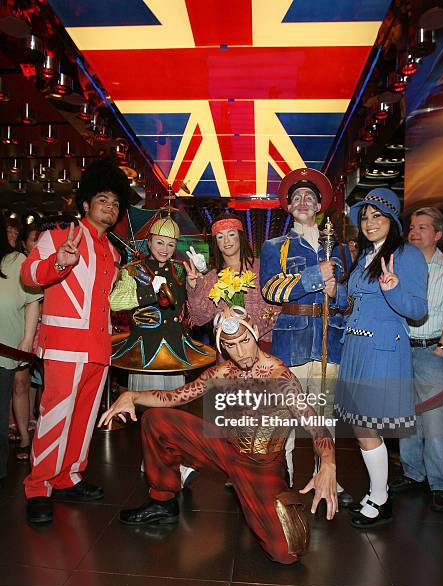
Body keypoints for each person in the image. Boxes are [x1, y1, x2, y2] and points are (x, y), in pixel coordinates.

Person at [99, 306, 338, 565]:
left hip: (260, 466)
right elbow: (176, 396)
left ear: (255, 332)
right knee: (156, 420)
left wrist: (328, 463)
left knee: (286, 554)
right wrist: (132, 396)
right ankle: (162, 501)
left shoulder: (279, 377)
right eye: (231, 345)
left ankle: (279, 496)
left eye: (245, 341)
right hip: (224, 449)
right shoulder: (222, 372)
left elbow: (316, 425)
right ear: (221, 345)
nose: (241, 351)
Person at [21, 159, 130, 524]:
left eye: (115, 203)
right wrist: (61, 261)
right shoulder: (58, 236)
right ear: (86, 204)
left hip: (98, 349)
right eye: (102, 200)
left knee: (83, 420)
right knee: (54, 416)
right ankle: (38, 486)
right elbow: (30, 274)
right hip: (65, 346)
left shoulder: (114, 253)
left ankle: (68, 477)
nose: (109, 208)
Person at [334, 188, 428, 528]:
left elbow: (418, 310)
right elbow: (356, 299)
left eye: (377, 216)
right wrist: (336, 292)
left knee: (368, 426)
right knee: (361, 425)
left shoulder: (407, 255)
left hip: (383, 349)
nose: (370, 222)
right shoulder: (365, 256)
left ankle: (380, 498)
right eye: (365, 216)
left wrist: (395, 290)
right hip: (357, 348)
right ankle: (378, 493)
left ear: (392, 220)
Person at [259, 168, 352, 503]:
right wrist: (315, 276)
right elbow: (270, 289)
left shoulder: (340, 250)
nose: (302, 202)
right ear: (288, 206)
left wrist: (335, 292)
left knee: (323, 415)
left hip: (330, 341)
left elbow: (349, 299)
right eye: (296, 197)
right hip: (292, 342)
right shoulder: (274, 246)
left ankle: (325, 478)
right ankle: (277, 478)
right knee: (285, 415)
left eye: (309, 198)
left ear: (319, 207)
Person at [390, 207, 443, 512]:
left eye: (422, 228)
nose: (414, 232)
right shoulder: (399, 265)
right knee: (407, 416)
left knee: (435, 419)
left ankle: (441, 482)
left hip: (432, 350)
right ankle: (413, 473)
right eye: (412, 227)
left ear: (438, 234)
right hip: (403, 348)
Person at [111, 213, 215, 388]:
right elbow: (114, 302)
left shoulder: (181, 269)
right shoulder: (132, 271)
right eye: (159, 242)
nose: (164, 249)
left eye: (170, 244)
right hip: (145, 349)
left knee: (172, 407)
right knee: (144, 406)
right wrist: (149, 291)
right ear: (149, 242)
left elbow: (201, 306)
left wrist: (200, 278)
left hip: (175, 348)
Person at [184, 212, 279, 352]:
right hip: (228, 350)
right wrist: (194, 289)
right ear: (216, 242)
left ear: (240, 237)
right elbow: (199, 319)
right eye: (220, 237)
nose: (226, 241)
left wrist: (248, 329)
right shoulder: (211, 278)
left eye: (231, 234)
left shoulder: (263, 268)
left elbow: (277, 308)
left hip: (263, 347)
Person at [0, 215, 41, 487]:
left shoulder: (16, 262)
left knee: (15, 391)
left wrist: (27, 338)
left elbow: (32, 301)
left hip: (7, 352)